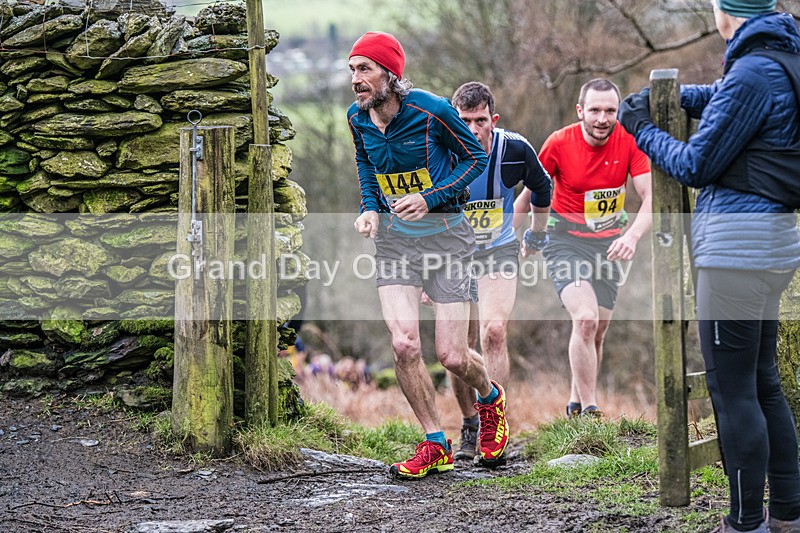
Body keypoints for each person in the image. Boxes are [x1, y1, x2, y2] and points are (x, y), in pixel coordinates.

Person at [618, 1, 800, 531]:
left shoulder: (753, 70)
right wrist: (663, 99)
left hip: (736, 253)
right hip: (771, 245)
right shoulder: (780, 60)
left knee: (732, 389)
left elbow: (695, 164)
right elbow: (726, 102)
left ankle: (745, 522)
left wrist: (640, 128)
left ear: (728, 12)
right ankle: (788, 512)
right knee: (762, 381)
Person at [346, 31, 509, 478]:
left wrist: (431, 197)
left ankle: (491, 398)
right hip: (395, 240)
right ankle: (435, 441)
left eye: (365, 69)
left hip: (447, 237)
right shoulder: (356, 118)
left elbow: (474, 159)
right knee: (403, 343)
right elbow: (364, 164)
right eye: (352, 69)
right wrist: (370, 210)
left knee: (453, 356)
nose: (356, 79)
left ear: (390, 74)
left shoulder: (432, 110)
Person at [518, 78, 652, 418]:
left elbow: (651, 197)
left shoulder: (629, 141)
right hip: (564, 240)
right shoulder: (559, 143)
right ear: (581, 111)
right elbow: (528, 194)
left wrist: (632, 236)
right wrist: (510, 236)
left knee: (597, 330)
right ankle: (591, 409)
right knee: (586, 318)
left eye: (610, 110)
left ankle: (576, 402)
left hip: (610, 244)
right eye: (594, 110)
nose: (602, 118)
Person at [448, 81, 551, 461]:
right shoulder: (441, 149)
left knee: (493, 331)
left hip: (499, 249)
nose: (472, 130)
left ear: (493, 119)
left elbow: (543, 190)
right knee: (457, 346)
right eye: (464, 121)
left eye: (479, 121)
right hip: (452, 255)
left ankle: (495, 424)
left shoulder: (515, 150)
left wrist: (537, 237)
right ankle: (468, 423)